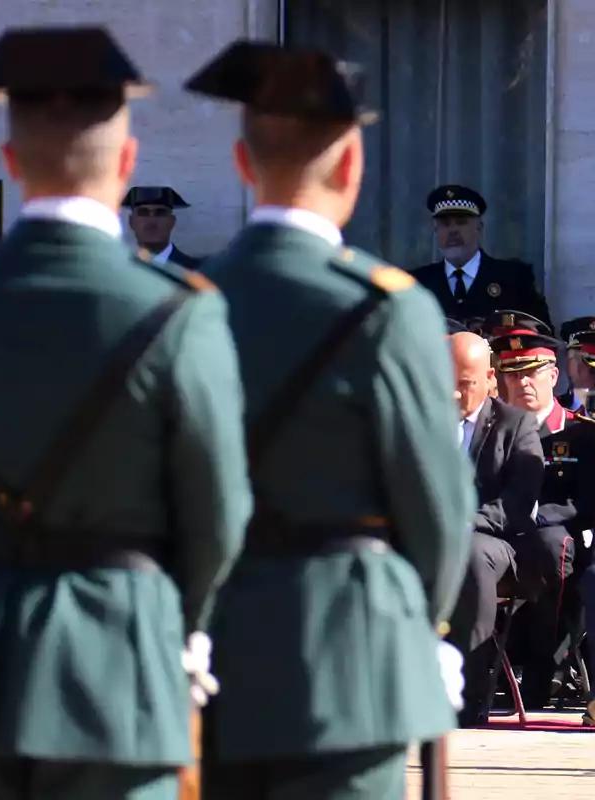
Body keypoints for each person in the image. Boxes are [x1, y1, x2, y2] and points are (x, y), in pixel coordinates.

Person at [0, 26, 252, 800]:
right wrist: (171, 622)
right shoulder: (181, 313)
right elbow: (218, 512)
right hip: (119, 658)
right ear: (124, 166)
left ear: (11, 163)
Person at [183, 40, 475, 799]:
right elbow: (438, 505)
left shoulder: (184, 301)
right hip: (355, 652)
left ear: (244, 166)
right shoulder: (389, 306)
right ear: (352, 167)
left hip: (217, 653)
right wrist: (430, 626)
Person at [489, 330, 595, 710]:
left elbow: (588, 502)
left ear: (554, 376)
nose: (522, 383)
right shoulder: (491, 431)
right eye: (511, 373)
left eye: (532, 372)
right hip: (499, 533)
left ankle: (543, 670)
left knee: (554, 548)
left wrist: (535, 515)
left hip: (557, 539)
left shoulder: (581, 432)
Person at [444, 331, 544, 726]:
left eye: (465, 384)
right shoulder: (423, 420)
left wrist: (465, 523)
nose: (453, 395)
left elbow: (518, 501)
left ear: (490, 379)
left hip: (494, 541)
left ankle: (468, 695)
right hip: (431, 535)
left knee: (469, 556)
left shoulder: (515, 425)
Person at [410, 184, 551, 327]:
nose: (453, 230)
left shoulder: (515, 279)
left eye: (461, 222)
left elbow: (541, 335)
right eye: (445, 224)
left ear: (479, 228)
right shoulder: (417, 285)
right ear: (436, 230)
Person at [122, 186, 203, 267]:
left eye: (160, 213)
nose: (152, 221)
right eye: (143, 212)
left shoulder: (198, 272)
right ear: (131, 221)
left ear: (172, 221)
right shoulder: (118, 270)